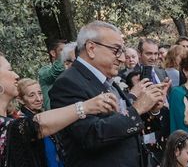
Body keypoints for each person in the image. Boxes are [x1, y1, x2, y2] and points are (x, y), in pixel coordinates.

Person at [49, 21, 167, 167]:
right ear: (91, 48)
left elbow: (125, 120)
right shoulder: (68, 84)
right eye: (116, 50)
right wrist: (137, 109)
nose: (122, 58)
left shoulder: (108, 81)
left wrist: (152, 109)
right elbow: (91, 136)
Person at [1, 51, 116, 167]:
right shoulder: (12, 125)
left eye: (40, 93)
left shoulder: (11, 121)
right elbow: (35, 126)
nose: (16, 75)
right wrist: (85, 107)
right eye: (9, 70)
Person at [17, 78, 64, 167]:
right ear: (21, 100)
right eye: (32, 95)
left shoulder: (42, 116)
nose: (39, 99)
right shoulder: (23, 124)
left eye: (40, 93)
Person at [38, 40, 67, 111]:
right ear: (53, 53)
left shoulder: (71, 70)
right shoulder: (44, 71)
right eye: (62, 50)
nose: (66, 52)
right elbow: (55, 72)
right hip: (53, 114)